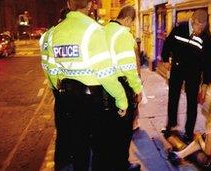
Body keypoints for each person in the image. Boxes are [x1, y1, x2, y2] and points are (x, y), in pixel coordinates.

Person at [42, 0, 128, 170]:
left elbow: (50, 70)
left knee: (78, 147)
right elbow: (105, 73)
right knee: (99, 149)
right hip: (93, 102)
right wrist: (121, 99)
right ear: (89, 5)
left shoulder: (53, 33)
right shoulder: (94, 30)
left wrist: (59, 92)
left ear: (68, 4)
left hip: (68, 99)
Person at [161, 9, 211, 141]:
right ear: (193, 21)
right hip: (178, 68)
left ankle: (189, 131)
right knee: (173, 97)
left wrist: (206, 83)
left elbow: (208, 63)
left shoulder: (207, 39)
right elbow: (168, 43)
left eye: (204, 27)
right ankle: (171, 124)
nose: (200, 30)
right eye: (198, 26)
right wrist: (165, 59)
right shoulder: (180, 28)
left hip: (194, 72)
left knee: (192, 102)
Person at [104, 5, 143, 171]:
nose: (131, 27)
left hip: (105, 87)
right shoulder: (123, 34)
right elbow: (129, 67)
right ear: (127, 19)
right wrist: (137, 89)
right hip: (122, 86)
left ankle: (112, 163)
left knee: (110, 130)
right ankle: (122, 164)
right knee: (124, 131)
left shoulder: (104, 30)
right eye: (131, 24)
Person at [40, 7, 74, 170]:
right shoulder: (69, 33)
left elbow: (47, 64)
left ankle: (61, 160)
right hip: (71, 89)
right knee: (74, 126)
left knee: (62, 126)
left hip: (58, 88)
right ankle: (71, 159)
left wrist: (56, 87)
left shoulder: (48, 35)